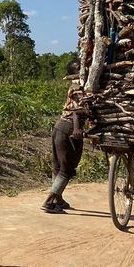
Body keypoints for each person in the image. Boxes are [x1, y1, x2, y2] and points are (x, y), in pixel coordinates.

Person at [43, 60, 85, 213]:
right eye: (80, 67)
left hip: (59, 127)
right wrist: (77, 128)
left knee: (58, 166)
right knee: (66, 168)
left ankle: (58, 199)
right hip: (68, 129)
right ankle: (49, 201)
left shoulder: (76, 85)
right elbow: (76, 111)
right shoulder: (79, 86)